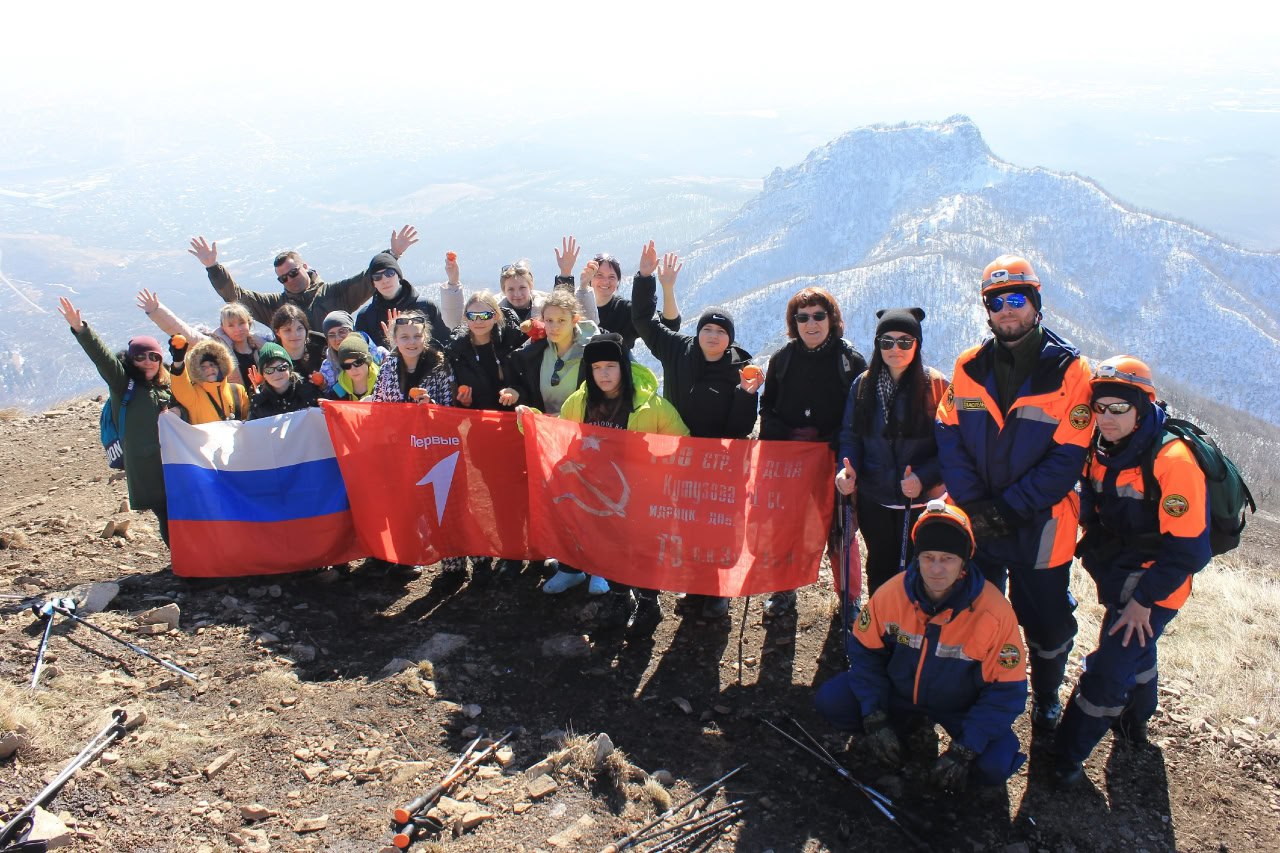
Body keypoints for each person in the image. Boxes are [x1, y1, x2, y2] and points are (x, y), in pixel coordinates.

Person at [936, 254, 1094, 732]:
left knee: (1045, 620)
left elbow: (1067, 456)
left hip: (1041, 525)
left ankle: (1045, 694)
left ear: (1035, 304)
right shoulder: (969, 365)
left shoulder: (1070, 372)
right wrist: (976, 505)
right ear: (987, 310)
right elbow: (948, 432)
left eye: (1017, 299)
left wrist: (1009, 508)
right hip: (980, 520)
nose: (1008, 310)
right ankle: (982, 687)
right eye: (997, 301)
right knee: (976, 610)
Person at [1053, 357, 1211, 786]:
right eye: (1100, 407)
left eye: (1118, 408)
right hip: (1117, 573)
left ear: (1142, 406)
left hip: (1157, 583)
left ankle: (1065, 755)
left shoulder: (1173, 460)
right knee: (1136, 649)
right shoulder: (1100, 450)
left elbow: (1190, 551)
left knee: (1108, 668)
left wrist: (1144, 601)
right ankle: (1134, 724)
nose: (1106, 417)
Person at [814, 501, 1028, 792]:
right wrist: (875, 716)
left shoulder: (995, 613)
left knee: (995, 763)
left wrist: (965, 749)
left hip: (960, 707)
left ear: (964, 563)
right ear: (918, 557)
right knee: (833, 701)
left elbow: (1006, 692)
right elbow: (865, 656)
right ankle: (905, 726)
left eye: (947, 558)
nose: (937, 569)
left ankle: (954, 773)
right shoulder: (891, 595)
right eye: (928, 557)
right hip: (900, 694)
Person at [631, 242, 762, 617]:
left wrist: (745, 395)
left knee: (717, 527)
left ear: (729, 339)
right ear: (699, 331)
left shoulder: (741, 369)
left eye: (721, 332)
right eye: (708, 328)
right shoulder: (678, 349)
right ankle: (693, 588)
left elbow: (741, 427)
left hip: (719, 464)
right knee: (685, 524)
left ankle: (717, 591)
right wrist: (646, 279)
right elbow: (643, 320)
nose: (713, 336)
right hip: (678, 456)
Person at [555, 332, 690, 634]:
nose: (604, 374)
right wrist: (530, 420)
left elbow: (681, 442)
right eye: (597, 367)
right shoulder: (580, 401)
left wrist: (655, 463)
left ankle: (648, 601)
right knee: (609, 544)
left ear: (623, 367)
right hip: (601, 492)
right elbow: (557, 435)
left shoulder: (649, 404)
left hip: (643, 491)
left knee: (645, 546)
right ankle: (619, 595)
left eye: (611, 366)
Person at [759, 287, 867, 616]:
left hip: (834, 458)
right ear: (794, 322)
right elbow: (769, 407)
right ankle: (784, 591)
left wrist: (839, 441)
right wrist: (779, 436)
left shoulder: (849, 360)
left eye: (819, 315)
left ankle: (848, 597)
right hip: (792, 461)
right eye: (802, 317)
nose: (811, 323)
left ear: (831, 319)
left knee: (840, 527)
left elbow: (861, 412)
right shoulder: (783, 359)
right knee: (787, 526)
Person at [835, 308, 950, 595]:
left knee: (919, 569)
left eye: (904, 342)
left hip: (922, 502)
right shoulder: (863, 385)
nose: (894, 349)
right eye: (886, 342)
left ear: (917, 344)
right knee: (880, 567)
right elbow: (851, 436)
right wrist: (846, 470)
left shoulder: (936, 385)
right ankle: (881, 630)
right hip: (876, 498)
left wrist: (923, 478)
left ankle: (914, 632)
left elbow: (952, 447)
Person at [499, 290, 601, 594]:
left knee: (592, 502)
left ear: (575, 320)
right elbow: (528, 389)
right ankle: (571, 565)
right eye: (550, 320)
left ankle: (598, 567)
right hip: (549, 440)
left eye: (562, 320)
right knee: (562, 502)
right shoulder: (535, 353)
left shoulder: (593, 352)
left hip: (587, 440)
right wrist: (517, 395)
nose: (555, 326)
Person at [57, 297, 174, 545]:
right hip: (147, 466)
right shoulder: (123, 385)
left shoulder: (166, 386)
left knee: (180, 512)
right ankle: (182, 566)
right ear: (131, 360)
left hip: (174, 461)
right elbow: (103, 359)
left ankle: (189, 562)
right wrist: (82, 330)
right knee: (166, 513)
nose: (148, 361)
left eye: (154, 356)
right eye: (140, 356)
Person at [370, 309, 467, 580]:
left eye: (416, 336)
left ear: (425, 337)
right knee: (406, 505)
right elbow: (378, 404)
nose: (411, 342)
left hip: (435, 449)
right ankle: (409, 556)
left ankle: (453, 567)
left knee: (442, 507)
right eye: (404, 337)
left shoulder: (439, 364)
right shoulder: (389, 366)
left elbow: (451, 408)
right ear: (394, 339)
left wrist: (431, 407)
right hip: (400, 449)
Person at [187, 226, 419, 332]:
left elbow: (369, 279)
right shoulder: (276, 307)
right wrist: (213, 268)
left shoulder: (334, 293)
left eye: (293, 273)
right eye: (283, 279)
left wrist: (393, 255)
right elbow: (236, 297)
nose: (290, 280)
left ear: (305, 267)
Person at [135, 288, 270, 386]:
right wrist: (157, 310)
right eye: (231, 325)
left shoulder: (264, 347)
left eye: (241, 323)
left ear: (249, 323)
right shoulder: (216, 347)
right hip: (235, 411)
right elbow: (184, 332)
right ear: (223, 328)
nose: (238, 329)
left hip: (263, 409)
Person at [580, 246, 681, 351]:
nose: (606, 281)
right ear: (590, 278)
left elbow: (669, 327)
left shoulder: (626, 311)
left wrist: (668, 288)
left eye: (612, 277)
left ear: (618, 281)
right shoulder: (579, 307)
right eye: (599, 275)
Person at [352, 252, 450, 350]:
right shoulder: (366, 317)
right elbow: (362, 357)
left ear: (398, 276)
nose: (385, 280)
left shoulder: (426, 307)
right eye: (377, 277)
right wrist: (391, 341)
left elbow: (445, 345)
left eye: (389, 273)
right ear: (373, 283)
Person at [168, 336, 250, 424]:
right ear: (197, 371)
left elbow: (250, 420)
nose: (209, 369)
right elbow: (180, 385)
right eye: (203, 367)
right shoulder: (193, 394)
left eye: (212, 364)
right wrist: (178, 361)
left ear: (221, 365)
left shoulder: (237, 390)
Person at [317, 310, 386, 398]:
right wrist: (323, 386)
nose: (337, 338)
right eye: (331, 335)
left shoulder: (381, 354)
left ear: (352, 331)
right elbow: (331, 398)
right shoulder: (327, 366)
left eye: (342, 331)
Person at [247, 343, 322, 419]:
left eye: (282, 368)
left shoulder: (308, 392)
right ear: (263, 375)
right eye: (269, 370)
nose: (277, 374)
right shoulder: (259, 404)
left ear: (290, 369)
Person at [269, 304, 328, 383]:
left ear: (306, 329)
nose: (295, 335)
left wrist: (324, 386)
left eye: (299, 328)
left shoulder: (321, 344)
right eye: (288, 330)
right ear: (277, 332)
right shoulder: (271, 357)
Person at [331, 334, 379, 401]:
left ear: (368, 360)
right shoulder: (338, 390)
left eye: (358, 362)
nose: (353, 369)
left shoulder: (384, 382)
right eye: (347, 366)